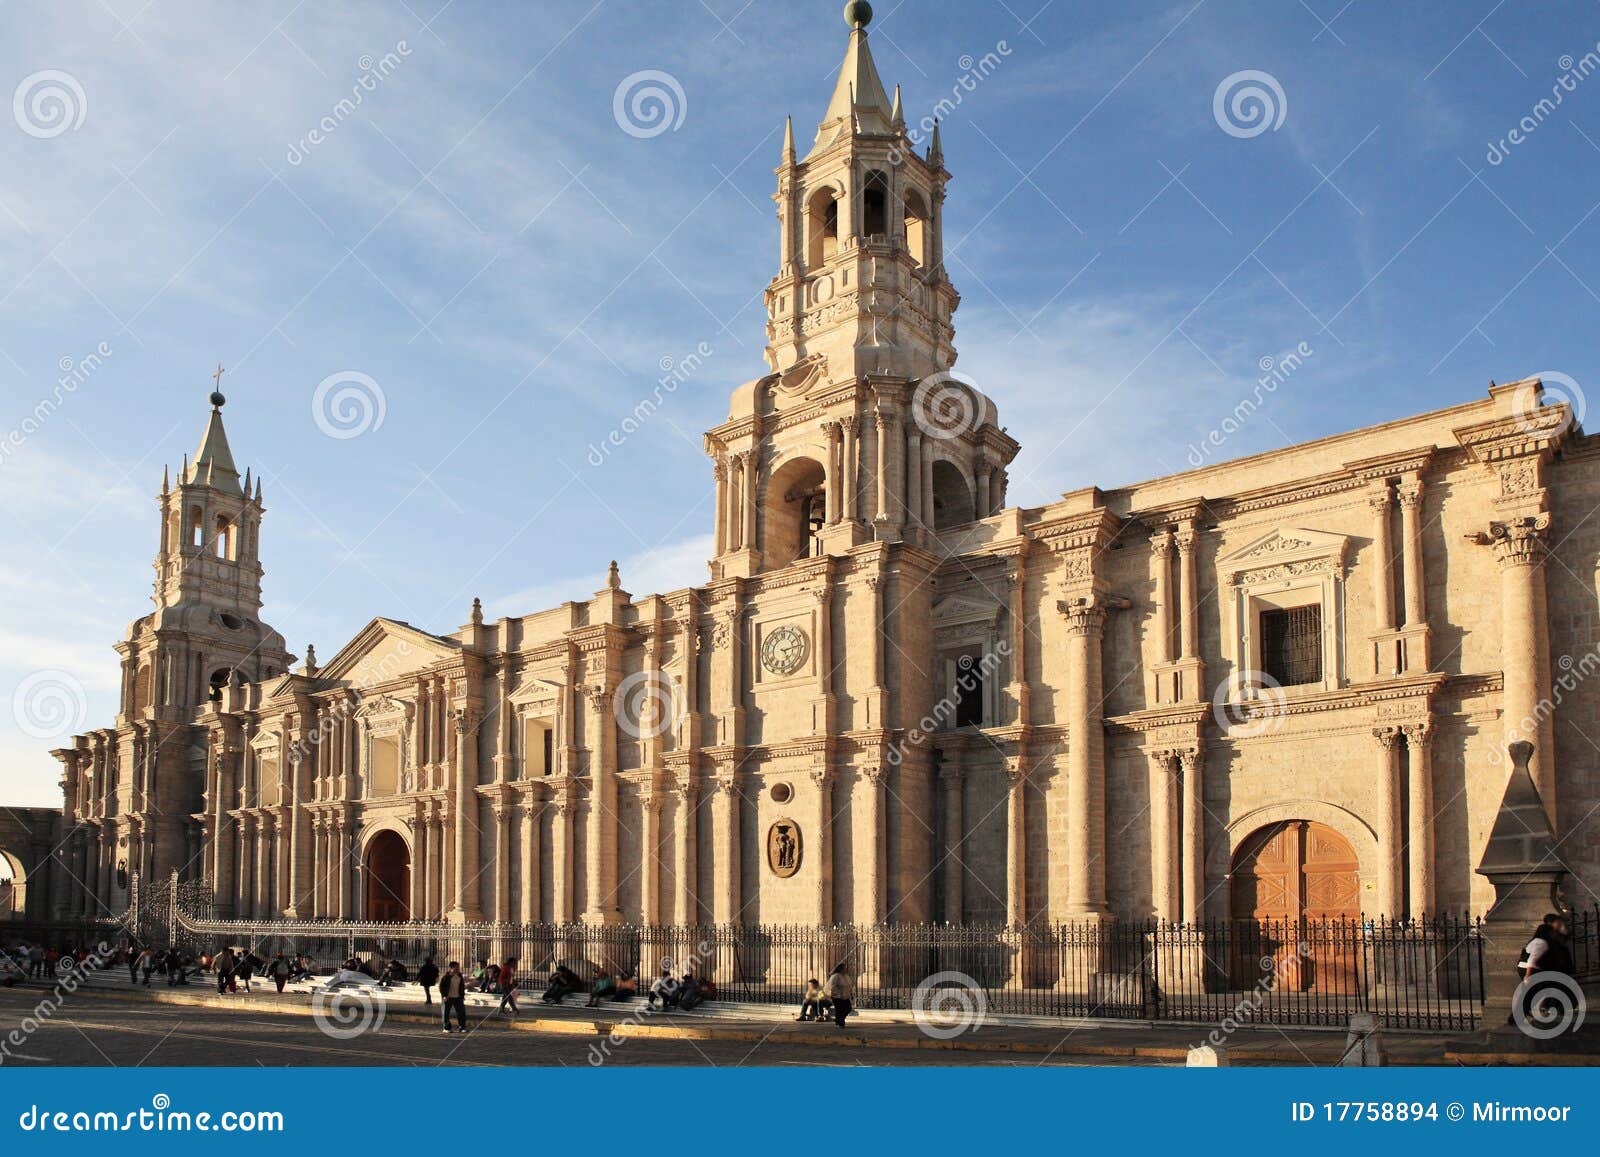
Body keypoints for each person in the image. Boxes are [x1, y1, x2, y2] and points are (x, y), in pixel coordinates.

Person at [438, 960, 468, 1034]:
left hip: (458, 997)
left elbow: (461, 986)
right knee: (445, 1013)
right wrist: (444, 996)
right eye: (456, 968)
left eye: (458, 968)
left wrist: (462, 995)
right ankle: (447, 1027)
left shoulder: (459, 976)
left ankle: (462, 1027)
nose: (458, 969)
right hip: (448, 997)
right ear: (451, 968)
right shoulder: (446, 976)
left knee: (461, 1012)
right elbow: (441, 987)